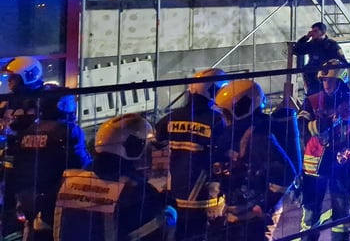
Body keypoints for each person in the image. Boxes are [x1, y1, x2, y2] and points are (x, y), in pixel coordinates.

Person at [53, 113, 174, 241]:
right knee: (170, 215)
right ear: (133, 148)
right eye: (146, 148)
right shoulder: (137, 192)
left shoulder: (67, 182)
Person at [3, 86, 90, 241]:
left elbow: (15, 167)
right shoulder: (68, 131)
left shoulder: (28, 131)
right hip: (56, 200)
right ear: (63, 106)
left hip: (28, 199)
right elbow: (81, 164)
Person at [213, 80, 296, 241]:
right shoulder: (245, 131)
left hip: (256, 213)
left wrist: (263, 205)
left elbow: (286, 172)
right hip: (243, 209)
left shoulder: (259, 136)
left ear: (241, 109)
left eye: (226, 113)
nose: (224, 119)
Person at [154, 68, 230, 241]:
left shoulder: (171, 118)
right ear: (215, 91)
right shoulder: (217, 121)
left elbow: (156, 143)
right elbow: (226, 155)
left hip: (177, 197)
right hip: (206, 200)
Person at [298, 60, 350, 241]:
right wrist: (321, 125)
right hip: (315, 168)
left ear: (340, 81)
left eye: (331, 80)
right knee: (311, 213)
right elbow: (300, 128)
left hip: (342, 164)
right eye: (324, 80)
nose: (327, 84)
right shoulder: (311, 102)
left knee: (342, 213)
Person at [1, 56, 48, 240]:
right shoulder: (11, 100)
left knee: (28, 202)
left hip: (31, 158)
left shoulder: (41, 99)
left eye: (13, 78)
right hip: (11, 154)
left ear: (27, 77)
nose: (9, 82)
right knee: (7, 195)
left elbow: (26, 127)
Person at [294, 23, 347, 96]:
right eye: (312, 31)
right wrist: (306, 37)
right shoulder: (312, 44)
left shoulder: (331, 45)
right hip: (312, 81)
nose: (312, 33)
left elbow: (343, 62)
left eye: (315, 31)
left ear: (323, 32)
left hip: (327, 81)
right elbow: (296, 50)